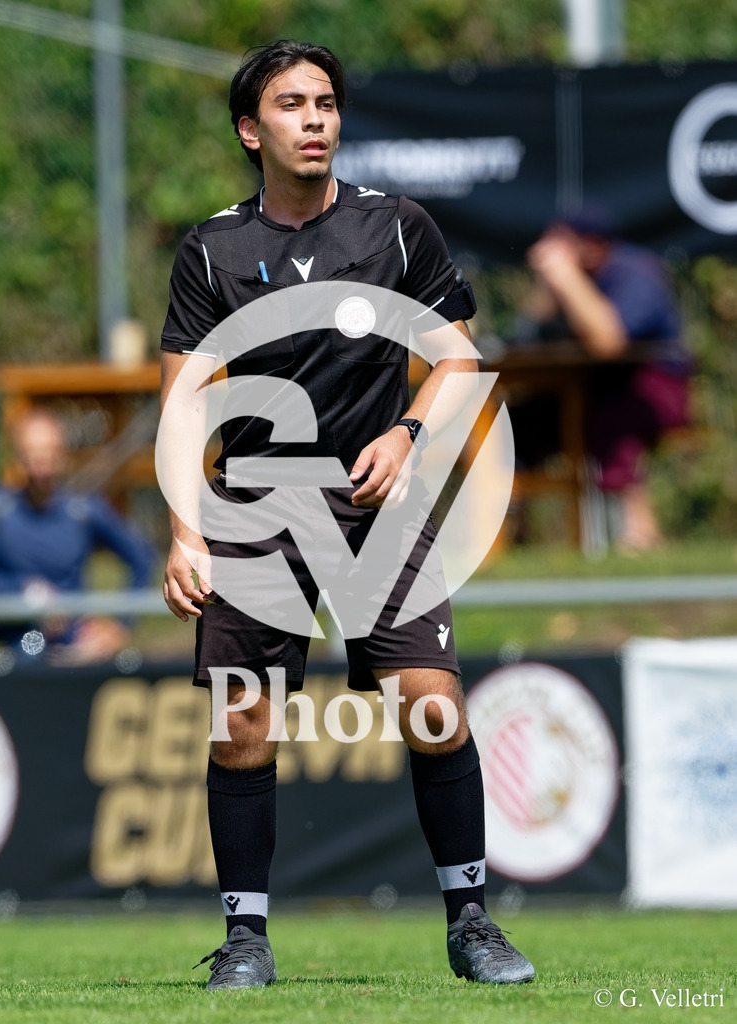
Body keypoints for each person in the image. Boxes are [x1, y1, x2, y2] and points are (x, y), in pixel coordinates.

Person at [160, 40, 534, 990]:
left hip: (379, 508)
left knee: (434, 706)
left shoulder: (396, 227)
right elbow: (183, 404)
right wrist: (185, 530)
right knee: (243, 725)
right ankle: (246, 939)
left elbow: (458, 358)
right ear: (253, 130)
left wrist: (407, 433)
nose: (316, 118)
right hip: (255, 510)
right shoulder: (213, 248)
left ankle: (473, 924)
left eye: (326, 101)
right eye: (292, 104)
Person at [515, 208, 690, 550]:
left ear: (590, 245)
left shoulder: (637, 273)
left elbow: (608, 342)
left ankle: (640, 532)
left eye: (559, 243)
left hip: (655, 391)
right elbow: (525, 335)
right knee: (518, 422)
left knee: (615, 413)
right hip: (586, 385)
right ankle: (513, 534)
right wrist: (550, 284)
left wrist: (566, 277)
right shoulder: (578, 278)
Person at [0, 407, 154, 663]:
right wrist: (26, 592)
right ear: (18, 457)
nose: (41, 465)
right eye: (32, 454)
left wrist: (120, 626)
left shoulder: (82, 510)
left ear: (63, 455)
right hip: (15, 646)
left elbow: (141, 558)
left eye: (49, 453)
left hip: (75, 648)